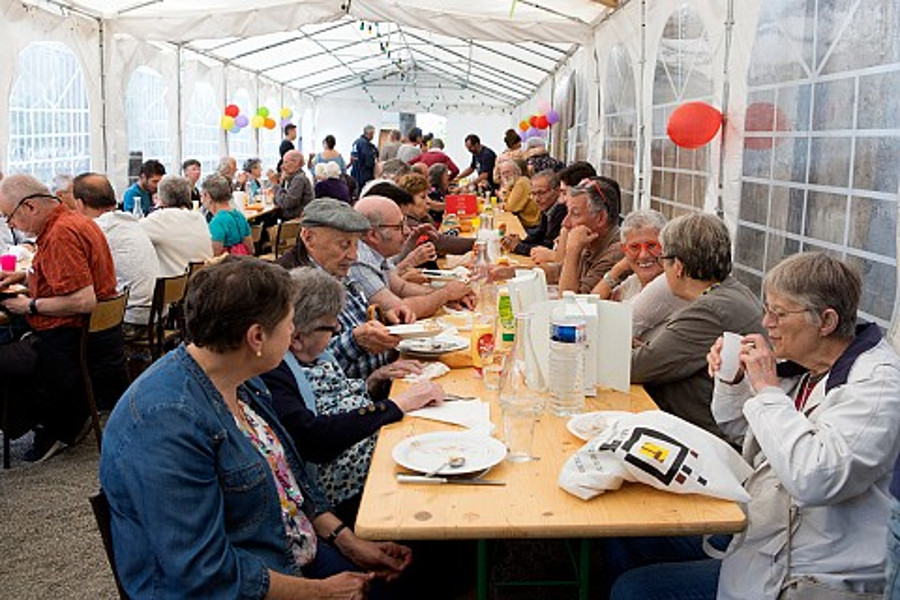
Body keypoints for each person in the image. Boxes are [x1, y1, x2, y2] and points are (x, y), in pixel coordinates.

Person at [99, 257, 414, 599]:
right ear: (257, 336)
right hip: (248, 581)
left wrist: (347, 541)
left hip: (287, 550)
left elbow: (289, 483)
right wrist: (320, 592)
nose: (294, 333)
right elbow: (204, 573)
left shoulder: (238, 378)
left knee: (415, 575)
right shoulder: (164, 422)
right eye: (290, 323)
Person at [608, 252, 900, 600]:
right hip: (764, 537)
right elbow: (742, 431)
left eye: (779, 313)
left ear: (826, 321)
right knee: (622, 524)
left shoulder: (876, 387)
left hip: (808, 575)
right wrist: (733, 381)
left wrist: (766, 388)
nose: (766, 322)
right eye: (766, 309)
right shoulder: (810, 363)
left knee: (634, 590)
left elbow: (816, 477)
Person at [262, 266, 443, 523]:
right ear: (297, 337)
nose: (336, 330)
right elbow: (315, 437)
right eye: (331, 329)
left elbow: (336, 394)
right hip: (339, 479)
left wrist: (375, 379)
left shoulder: (312, 355)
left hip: (363, 440)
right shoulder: (275, 371)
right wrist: (395, 405)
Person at [0, 174, 119, 461]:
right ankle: (62, 419)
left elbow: (82, 300)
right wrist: (24, 276)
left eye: (9, 217)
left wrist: (29, 306)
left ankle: (51, 427)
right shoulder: (75, 222)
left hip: (65, 340)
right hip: (93, 337)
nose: (10, 225)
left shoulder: (59, 235)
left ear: (30, 207)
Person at [630, 212, 765, 437]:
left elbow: (636, 367)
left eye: (663, 259)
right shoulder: (732, 290)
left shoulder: (710, 310)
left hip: (712, 437)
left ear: (679, 267)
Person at [277, 198, 401, 382]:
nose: (353, 255)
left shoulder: (335, 268)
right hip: (355, 398)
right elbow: (305, 365)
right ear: (309, 238)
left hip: (380, 382)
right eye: (344, 245)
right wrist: (356, 342)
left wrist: (386, 319)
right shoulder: (293, 285)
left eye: (356, 245)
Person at [351, 195, 475, 319]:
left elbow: (401, 288)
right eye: (399, 226)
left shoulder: (376, 253)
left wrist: (452, 296)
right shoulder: (358, 261)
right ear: (373, 235)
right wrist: (445, 294)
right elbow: (400, 311)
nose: (407, 231)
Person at [72, 172, 160, 333]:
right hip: (156, 314)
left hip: (130, 318)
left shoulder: (94, 230)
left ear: (79, 204)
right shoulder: (129, 222)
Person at [556, 176, 624, 295]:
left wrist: (572, 251)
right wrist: (515, 272)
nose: (565, 223)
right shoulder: (590, 241)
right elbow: (559, 271)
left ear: (600, 218)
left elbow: (570, 303)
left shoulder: (616, 253)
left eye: (575, 214)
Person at [140, 175, 213, 276]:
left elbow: (133, 232)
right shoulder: (199, 218)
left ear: (161, 198)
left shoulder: (161, 218)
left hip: (174, 288)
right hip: (201, 283)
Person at [389, 177, 474, 257]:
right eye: (423, 197)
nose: (429, 201)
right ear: (407, 202)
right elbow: (440, 242)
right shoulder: (411, 224)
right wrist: (479, 242)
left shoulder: (417, 219)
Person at [501, 169, 566, 257]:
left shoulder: (562, 211)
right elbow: (539, 234)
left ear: (557, 191)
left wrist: (518, 247)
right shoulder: (547, 207)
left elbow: (548, 248)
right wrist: (521, 241)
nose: (537, 199)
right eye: (533, 194)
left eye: (541, 193)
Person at [202, 174, 254, 256]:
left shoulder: (217, 222)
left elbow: (215, 256)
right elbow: (251, 250)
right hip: (243, 263)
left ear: (208, 196)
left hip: (227, 266)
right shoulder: (239, 216)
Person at [269, 149, 314, 220]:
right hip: (291, 217)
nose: (282, 166)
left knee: (266, 220)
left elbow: (287, 203)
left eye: (286, 162)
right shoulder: (292, 178)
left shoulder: (299, 179)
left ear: (296, 163)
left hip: (296, 221)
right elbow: (278, 200)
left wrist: (275, 184)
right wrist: (281, 182)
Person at [497, 159, 540, 231]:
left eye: (507, 172)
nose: (506, 176)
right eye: (503, 173)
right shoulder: (513, 184)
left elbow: (511, 207)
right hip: (524, 223)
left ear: (516, 172)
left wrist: (504, 204)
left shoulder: (521, 182)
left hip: (530, 226)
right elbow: (505, 200)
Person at [350, 125, 378, 192]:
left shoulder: (356, 142)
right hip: (364, 175)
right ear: (370, 134)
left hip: (355, 173)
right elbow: (369, 161)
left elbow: (352, 157)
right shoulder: (366, 145)